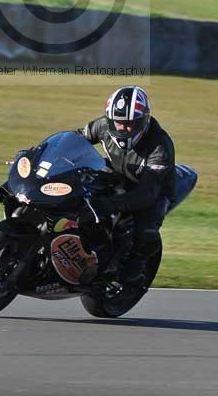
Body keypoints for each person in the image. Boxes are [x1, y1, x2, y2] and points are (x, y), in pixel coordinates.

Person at [75, 85, 175, 287]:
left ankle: (138, 262)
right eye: (118, 122)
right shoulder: (102, 126)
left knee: (146, 226)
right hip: (117, 173)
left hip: (153, 188)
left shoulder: (159, 146)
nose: (122, 128)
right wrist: (39, 152)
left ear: (143, 121)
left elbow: (146, 194)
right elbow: (74, 139)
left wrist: (111, 204)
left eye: (130, 124)